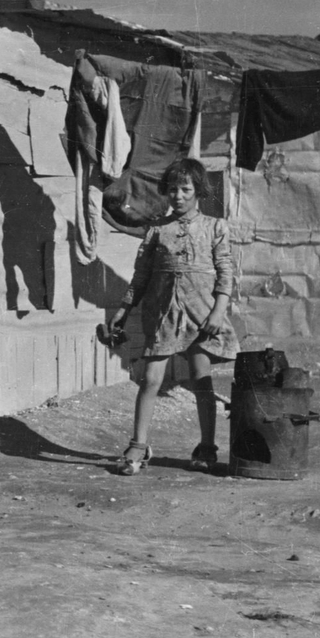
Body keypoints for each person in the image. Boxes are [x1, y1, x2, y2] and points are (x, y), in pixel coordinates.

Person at [105, 158, 237, 475]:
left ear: (198, 191)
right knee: (150, 379)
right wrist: (123, 310)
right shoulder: (157, 230)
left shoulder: (215, 227)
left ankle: (207, 447)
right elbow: (140, 277)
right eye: (173, 189)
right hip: (163, 314)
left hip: (201, 313)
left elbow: (225, 274)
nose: (178, 196)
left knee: (201, 380)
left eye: (186, 189)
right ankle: (138, 447)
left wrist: (218, 312)